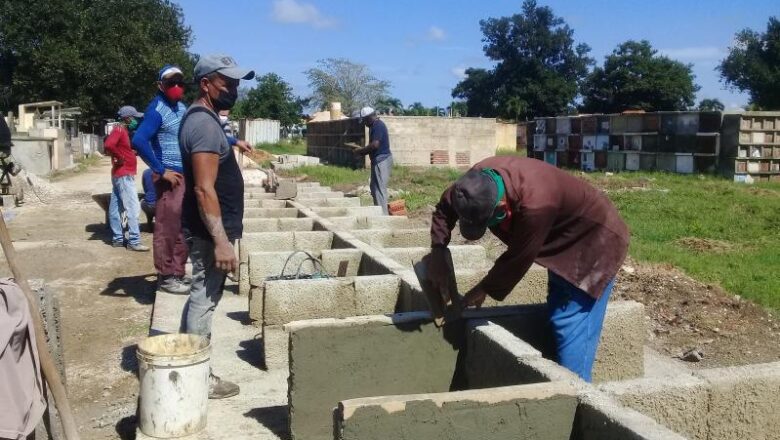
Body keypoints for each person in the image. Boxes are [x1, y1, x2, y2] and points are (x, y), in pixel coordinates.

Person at [427, 156, 629, 382]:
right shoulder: (472, 182)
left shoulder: (536, 205)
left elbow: (517, 259)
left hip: (594, 241)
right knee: (556, 312)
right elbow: (444, 209)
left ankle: (576, 396)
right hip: (559, 234)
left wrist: (482, 289)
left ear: (501, 206)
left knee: (569, 323)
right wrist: (438, 251)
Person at [179, 54, 254, 399]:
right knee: (204, 299)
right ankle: (197, 377)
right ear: (206, 83)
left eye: (237, 83)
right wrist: (222, 242)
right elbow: (203, 188)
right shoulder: (204, 125)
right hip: (211, 234)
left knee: (204, 297)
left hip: (213, 230)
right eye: (228, 83)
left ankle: (192, 368)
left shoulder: (208, 119)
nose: (234, 89)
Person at [132, 65, 189, 294]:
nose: (175, 88)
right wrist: (160, 169)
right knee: (167, 227)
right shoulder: (157, 109)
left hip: (184, 176)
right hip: (169, 177)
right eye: (170, 83)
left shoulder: (181, 108)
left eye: (179, 83)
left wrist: (233, 142)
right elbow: (139, 140)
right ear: (160, 86)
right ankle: (166, 277)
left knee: (182, 228)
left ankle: (177, 272)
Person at [103, 106, 149, 251]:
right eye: (134, 117)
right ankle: (134, 241)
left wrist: (128, 152)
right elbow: (109, 145)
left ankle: (117, 238)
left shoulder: (120, 130)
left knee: (115, 207)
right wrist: (120, 156)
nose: (136, 120)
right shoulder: (119, 129)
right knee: (133, 207)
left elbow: (115, 146)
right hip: (124, 174)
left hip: (119, 174)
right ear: (128, 118)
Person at [353, 107, 392, 214]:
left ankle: (382, 216)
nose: (364, 123)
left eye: (365, 120)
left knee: (379, 189)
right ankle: (378, 211)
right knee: (374, 188)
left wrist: (361, 151)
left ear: (370, 117)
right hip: (378, 160)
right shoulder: (373, 126)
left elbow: (375, 145)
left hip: (381, 160)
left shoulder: (378, 126)